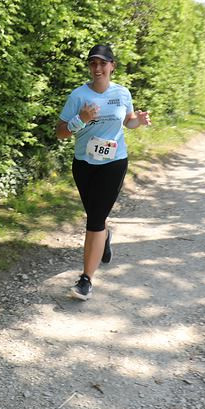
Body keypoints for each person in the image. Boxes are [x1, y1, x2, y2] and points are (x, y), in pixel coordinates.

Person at [57, 44, 151, 301]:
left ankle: (86, 280)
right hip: (84, 164)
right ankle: (105, 236)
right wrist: (81, 119)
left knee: (95, 220)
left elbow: (128, 121)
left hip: (114, 163)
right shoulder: (78, 96)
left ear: (112, 66)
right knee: (94, 215)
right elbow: (61, 132)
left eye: (102, 63)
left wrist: (138, 121)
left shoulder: (122, 93)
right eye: (92, 64)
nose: (97, 69)